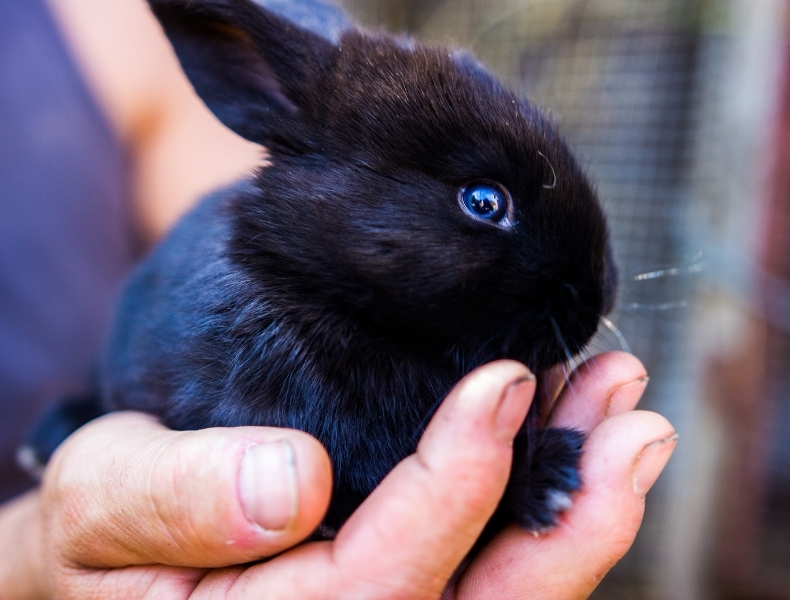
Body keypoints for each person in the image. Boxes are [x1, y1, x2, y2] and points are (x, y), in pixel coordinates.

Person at [0, 0, 677, 598]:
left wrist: (512, 470)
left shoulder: (105, 34)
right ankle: (81, 409)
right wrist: (29, 559)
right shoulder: (259, 327)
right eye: (483, 202)